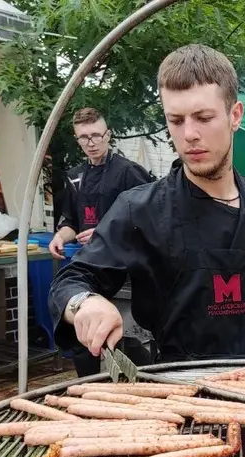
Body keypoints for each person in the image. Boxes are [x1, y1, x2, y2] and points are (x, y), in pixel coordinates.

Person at [49, 45, 245, 364]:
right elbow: (71, 280)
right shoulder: (140, 209)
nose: (190, 134)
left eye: (204, 117)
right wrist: (84, 303)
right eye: (176, 120)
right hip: (173, 383)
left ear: (235, 115)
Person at [48, 107, 156, 376]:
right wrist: (60, 237)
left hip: (126, 269)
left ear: (108, 135)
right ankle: (89, 387)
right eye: (84, 138)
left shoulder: (130, 173)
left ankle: (147, 381)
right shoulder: (74, 177)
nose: (91, 143)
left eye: (96, 135)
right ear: (77, 139)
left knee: (126, 336)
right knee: (83, 331)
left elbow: (149, 222)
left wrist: (103, 232)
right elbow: (72, 222)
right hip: (91, 267)